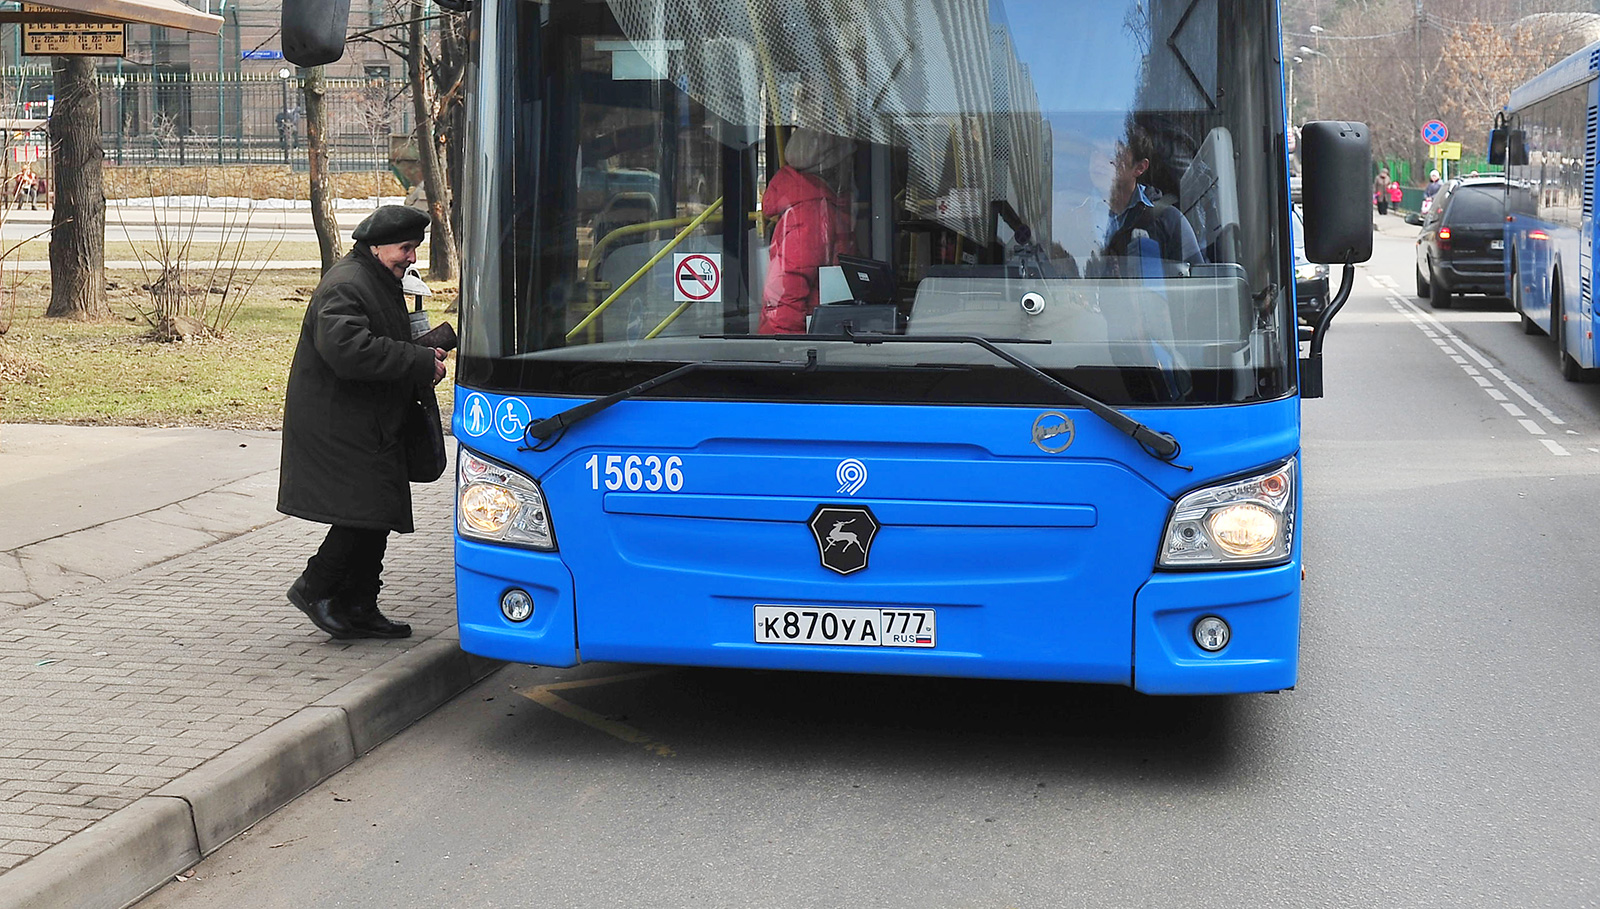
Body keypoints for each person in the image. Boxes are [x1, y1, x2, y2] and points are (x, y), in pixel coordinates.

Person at [278, 205, 448, 640]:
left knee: (377, 512)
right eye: (405, 248)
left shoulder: (375, 278)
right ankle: (315, 588)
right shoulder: (347, 283)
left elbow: (378, 341)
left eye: (415, 249)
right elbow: (348, 351)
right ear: (376, 246)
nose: (411, 257)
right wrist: (416, 360)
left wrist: (421, 352)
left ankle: (360, 605)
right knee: (364, 513)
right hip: (342, 425)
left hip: (367, 420)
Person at [758, 128, 857, 334]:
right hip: (810, 347)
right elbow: (784, 298)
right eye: (848, 160)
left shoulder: (817, 205)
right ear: (833, 166)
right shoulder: (812, 214)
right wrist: (789, 353)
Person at [1088, 124, 1204, 274]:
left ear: (1140, 167)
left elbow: (1199, 283)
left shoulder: (1168, 220)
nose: (1099, 162)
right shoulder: (1070, 211)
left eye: (1112, 154)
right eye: (1095, 151)